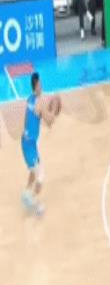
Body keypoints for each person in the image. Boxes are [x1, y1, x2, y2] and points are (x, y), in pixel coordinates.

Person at [21, 73, 60, 216]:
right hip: (29, 145)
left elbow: (27, 118)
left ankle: (26, 192)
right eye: (40, 84)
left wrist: (29, 129)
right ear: (36, 86)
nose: (41, 86)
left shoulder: (29, 99)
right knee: (40, 175)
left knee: (34, 169)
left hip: (26, 142)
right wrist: (54, 112)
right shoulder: (40, 103)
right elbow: (49, 121)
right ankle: (34, 203)